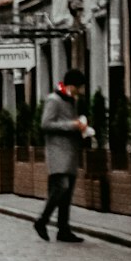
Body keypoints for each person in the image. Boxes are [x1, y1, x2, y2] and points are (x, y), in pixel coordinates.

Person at [34, 68, 90, 243]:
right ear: (72, 86)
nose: (82, 90)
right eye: (80, 87)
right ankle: (42, 221)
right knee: (61, 187)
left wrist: (82, 128)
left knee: (67, 191)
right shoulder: (54, 100)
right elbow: (46, 124)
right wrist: (72, 125)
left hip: (71, 150)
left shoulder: (72, 100)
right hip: (57, 151)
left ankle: (63, 229)